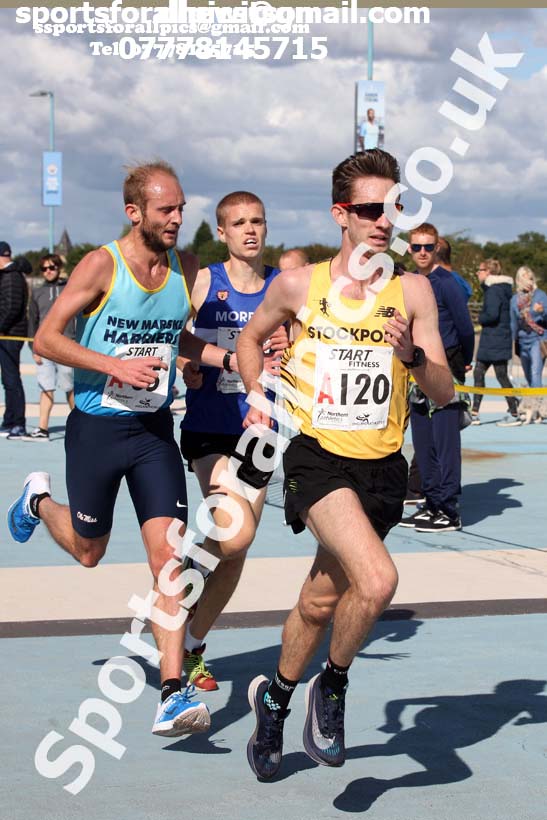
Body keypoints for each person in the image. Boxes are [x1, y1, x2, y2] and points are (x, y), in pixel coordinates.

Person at [236, 149, 454, 779]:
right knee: (378, 580)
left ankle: (272, 700)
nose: (384, 220)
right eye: (369, 209)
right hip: (317, 458)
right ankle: (330, 686)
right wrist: (258, 399)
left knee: (317, 602)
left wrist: (413, 355)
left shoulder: (412, 289)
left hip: (383, 467)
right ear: (341, 215)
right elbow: (250, 339)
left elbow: (442, 393)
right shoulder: (302, 284)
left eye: (394, 208)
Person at [6, 161, 235, 738]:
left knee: (169, 559)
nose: (179, 219)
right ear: (135, 213)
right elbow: (47, 338)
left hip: (153, 432)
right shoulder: (101, 264)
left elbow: (175, 336)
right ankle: (38, 502)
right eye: (167, 210)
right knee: (89, 551)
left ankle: (171, 691)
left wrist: (224, 359)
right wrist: (113, 364)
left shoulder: (184, 267)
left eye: (182, 208)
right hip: (97, 429)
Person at [178, 191, 286, 692]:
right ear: (221, 232)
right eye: (238, 223)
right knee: (235, 532)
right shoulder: (204, 282)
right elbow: (176, 335)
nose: (250, 230)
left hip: (259, 431)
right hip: (210, 425)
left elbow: (303, 346)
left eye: (257, 221)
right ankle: (179, 578)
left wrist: (292, 347)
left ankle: (193, 643)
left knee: (236, 550)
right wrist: (189, 362)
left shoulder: (283, 289)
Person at [399, 223, 474, 533]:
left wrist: (461, 364)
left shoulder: (446, 284)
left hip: (443, 374)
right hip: (416, 373)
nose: (422, 253)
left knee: (445, 444)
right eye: (416, 247)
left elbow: (465, 327)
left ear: (436, 249)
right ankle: (430, 503)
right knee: (423, 442)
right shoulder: (407, 283)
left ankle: (448, 508)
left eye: (428, 247)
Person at [27, 254, 75, 440]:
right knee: (45, 388)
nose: (48, 271)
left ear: (58, 268)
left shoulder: (70, 288)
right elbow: (33, 321)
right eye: (45, 268)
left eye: (52, 267)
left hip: (67, 346)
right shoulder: (37, 292)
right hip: (44, 348)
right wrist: (34, 348)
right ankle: (42, 428)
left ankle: (76, 425)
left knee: (70, 388)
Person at [470, 259, 520, 426]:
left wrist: (480, 318)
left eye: (480, 270)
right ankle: (511, 409)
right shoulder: (502, 289)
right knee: (495, 375)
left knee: (488, 374)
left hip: (494, 340)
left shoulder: (493, 291)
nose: (478, 273)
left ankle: (512, 410)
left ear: (489, 272)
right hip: (497, 339)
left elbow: (491, 315)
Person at [510, 265, 547, 423]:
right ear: (519, 280)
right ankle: (535, 407)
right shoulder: (514, 299)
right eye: (525, 278)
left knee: (535, 374)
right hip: (522, 341)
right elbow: (513, 322)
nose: (528, 281)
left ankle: (538, 410)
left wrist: (542, 312)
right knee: (528, 376)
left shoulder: (541, 296)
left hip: (538, 340)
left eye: (531, 277)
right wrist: (511, 343)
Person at [0, 240, 29, 439]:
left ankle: (17, 423)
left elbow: (11, 308)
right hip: (6, 334)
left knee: (12, 380)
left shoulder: (11, 277)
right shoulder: (8, 276)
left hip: (10, 335)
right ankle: (9, 420)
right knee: (8, 380)